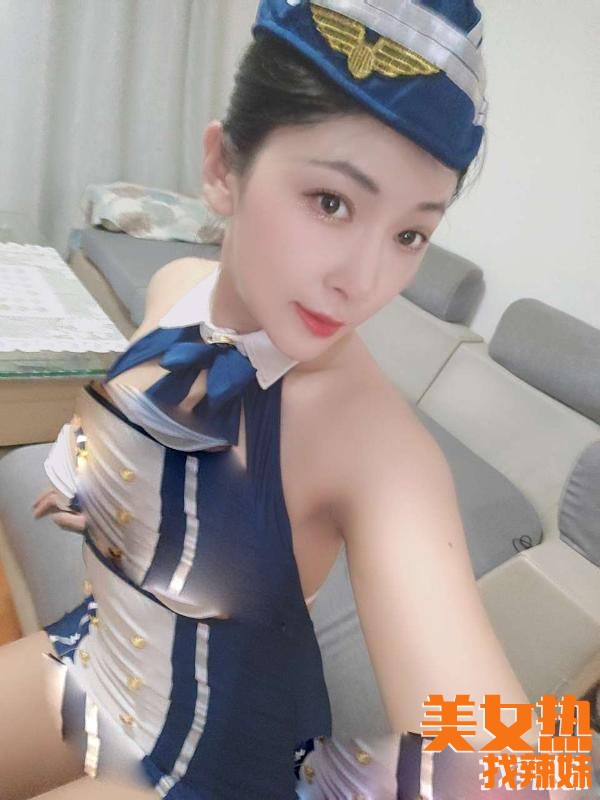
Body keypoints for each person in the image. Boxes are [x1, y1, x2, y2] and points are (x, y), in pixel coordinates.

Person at [0, 1, 579, 798]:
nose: (364, 281)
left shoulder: (377, 450)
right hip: (100, 654)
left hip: (214, 758)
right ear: (223, 168)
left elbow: (493, 765)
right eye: (332, 202)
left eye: (409, 234)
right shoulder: (174, 288)